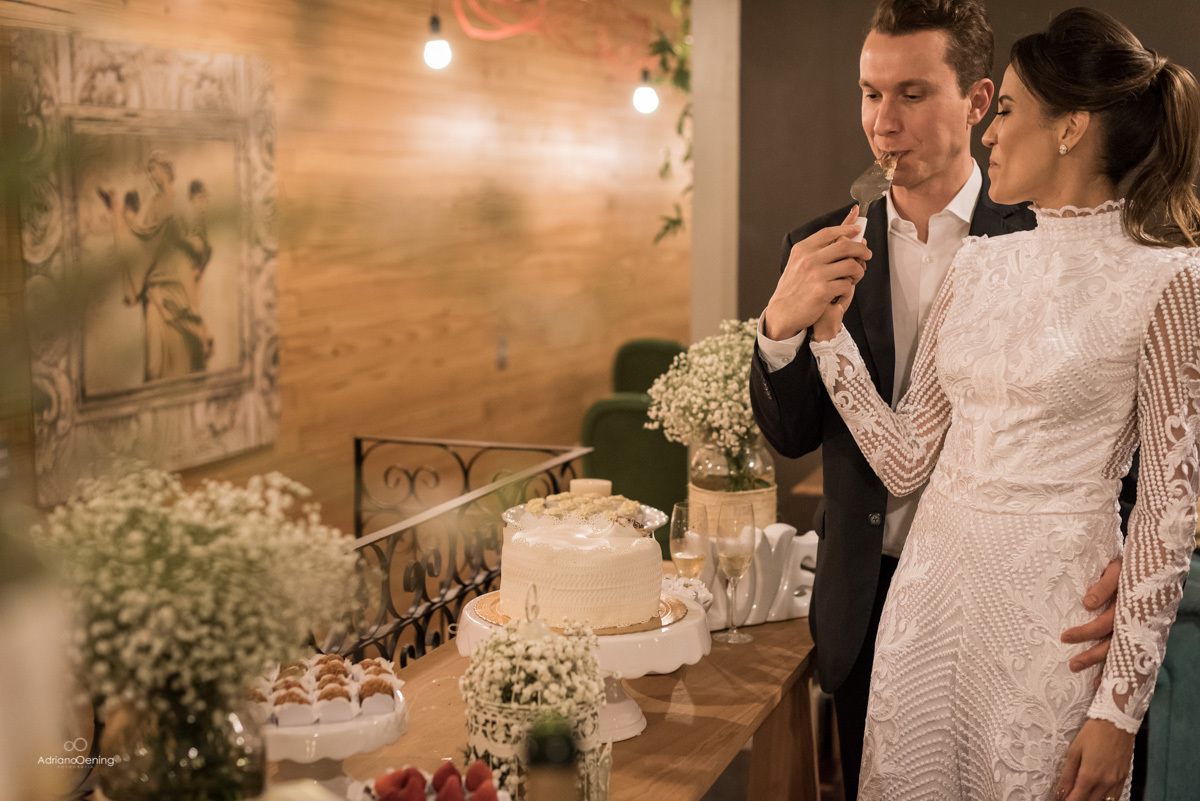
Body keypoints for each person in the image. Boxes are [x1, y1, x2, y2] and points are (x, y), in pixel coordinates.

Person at [805, 6, 1200, 799]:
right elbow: (907, 456)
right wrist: (826, 337)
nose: (989, 133)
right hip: (921, 613)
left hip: (1046, 628)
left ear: (1071, 128)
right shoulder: (980, 265)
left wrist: (1119, 710)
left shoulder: (1170, 281)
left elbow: (1168, 502)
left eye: (1008, 110)